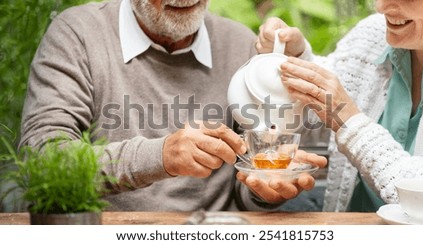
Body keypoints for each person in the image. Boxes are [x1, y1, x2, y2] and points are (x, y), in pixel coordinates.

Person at [19, 0, 327, 211]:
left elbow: (244, 187)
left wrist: (263, 192)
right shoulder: (79, 34)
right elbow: (41, 162)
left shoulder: (237, 43)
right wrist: (161, 156)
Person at [256, 0, 423, 212]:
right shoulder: (373, 34)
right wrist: (298, 59)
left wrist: (349, 122)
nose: (381, 7)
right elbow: (341, 93)